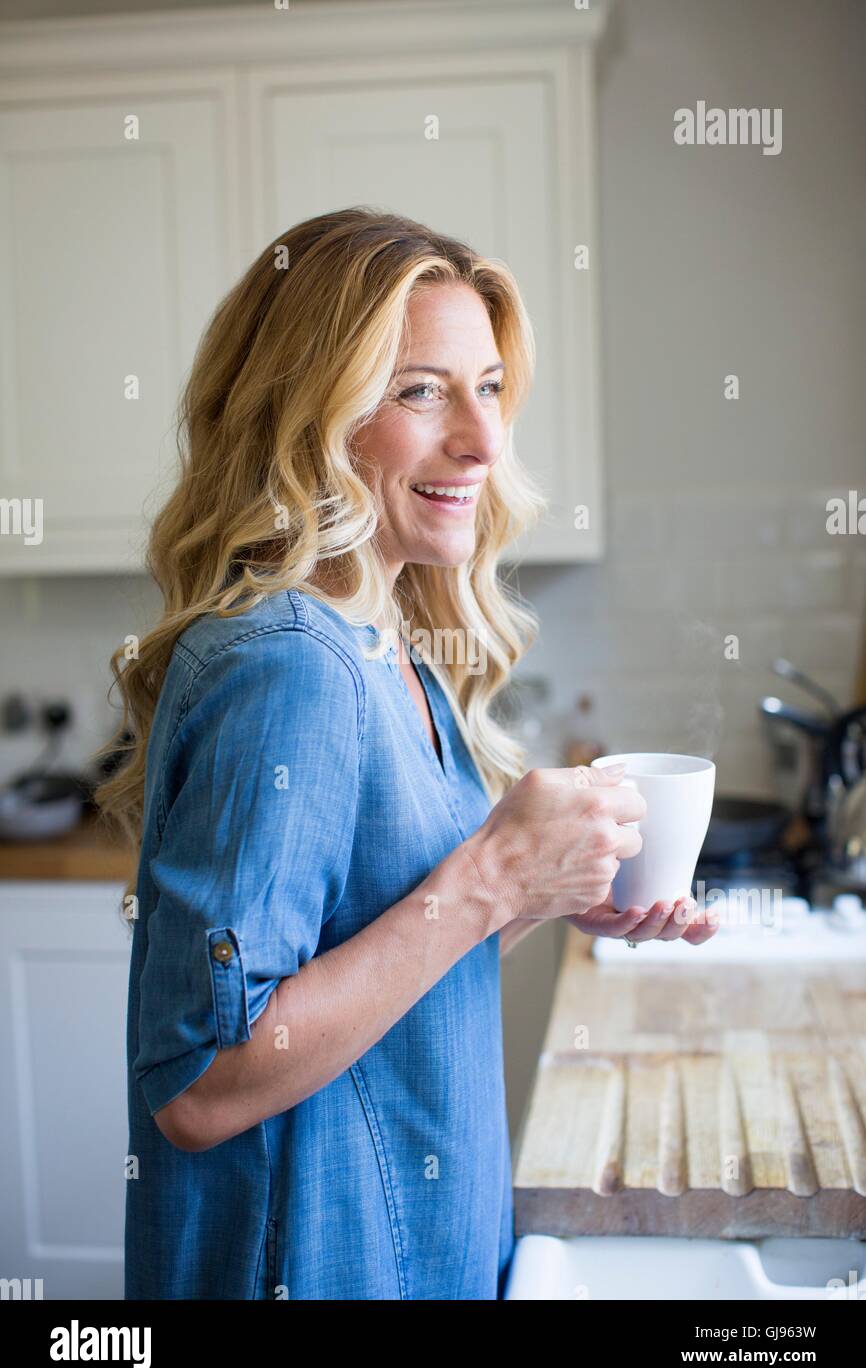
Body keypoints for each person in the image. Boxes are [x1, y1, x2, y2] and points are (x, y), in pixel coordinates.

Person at [95, 207, 717, 1302]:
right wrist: (486, 881)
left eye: (486, 388)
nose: (479, 440)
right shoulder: (290, 668)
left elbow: (385, 942)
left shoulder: (388, 644)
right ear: (309, 414)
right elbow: (198, 1083)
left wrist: (540, 893)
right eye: (419, 390)